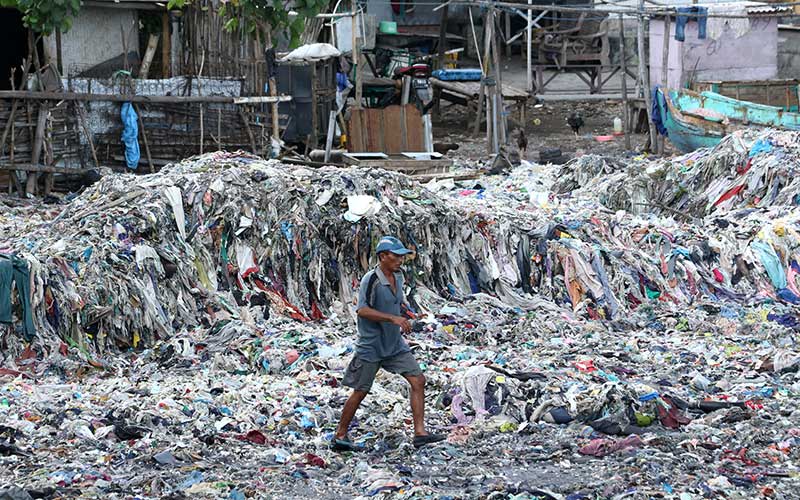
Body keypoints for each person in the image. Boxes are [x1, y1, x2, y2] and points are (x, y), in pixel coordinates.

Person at [332, 236, 445, 451]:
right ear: (383, 256)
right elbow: (362, 310)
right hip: (372, 345)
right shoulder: (371, 279)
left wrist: (408, 313)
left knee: (418, 380)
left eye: (402, 256)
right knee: (361, 390)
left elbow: (396, 303)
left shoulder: (398, 277)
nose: (400, 260)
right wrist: (393, 319)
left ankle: (420, 433)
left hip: (394, 344)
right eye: (396, 256)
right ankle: (340, 435)